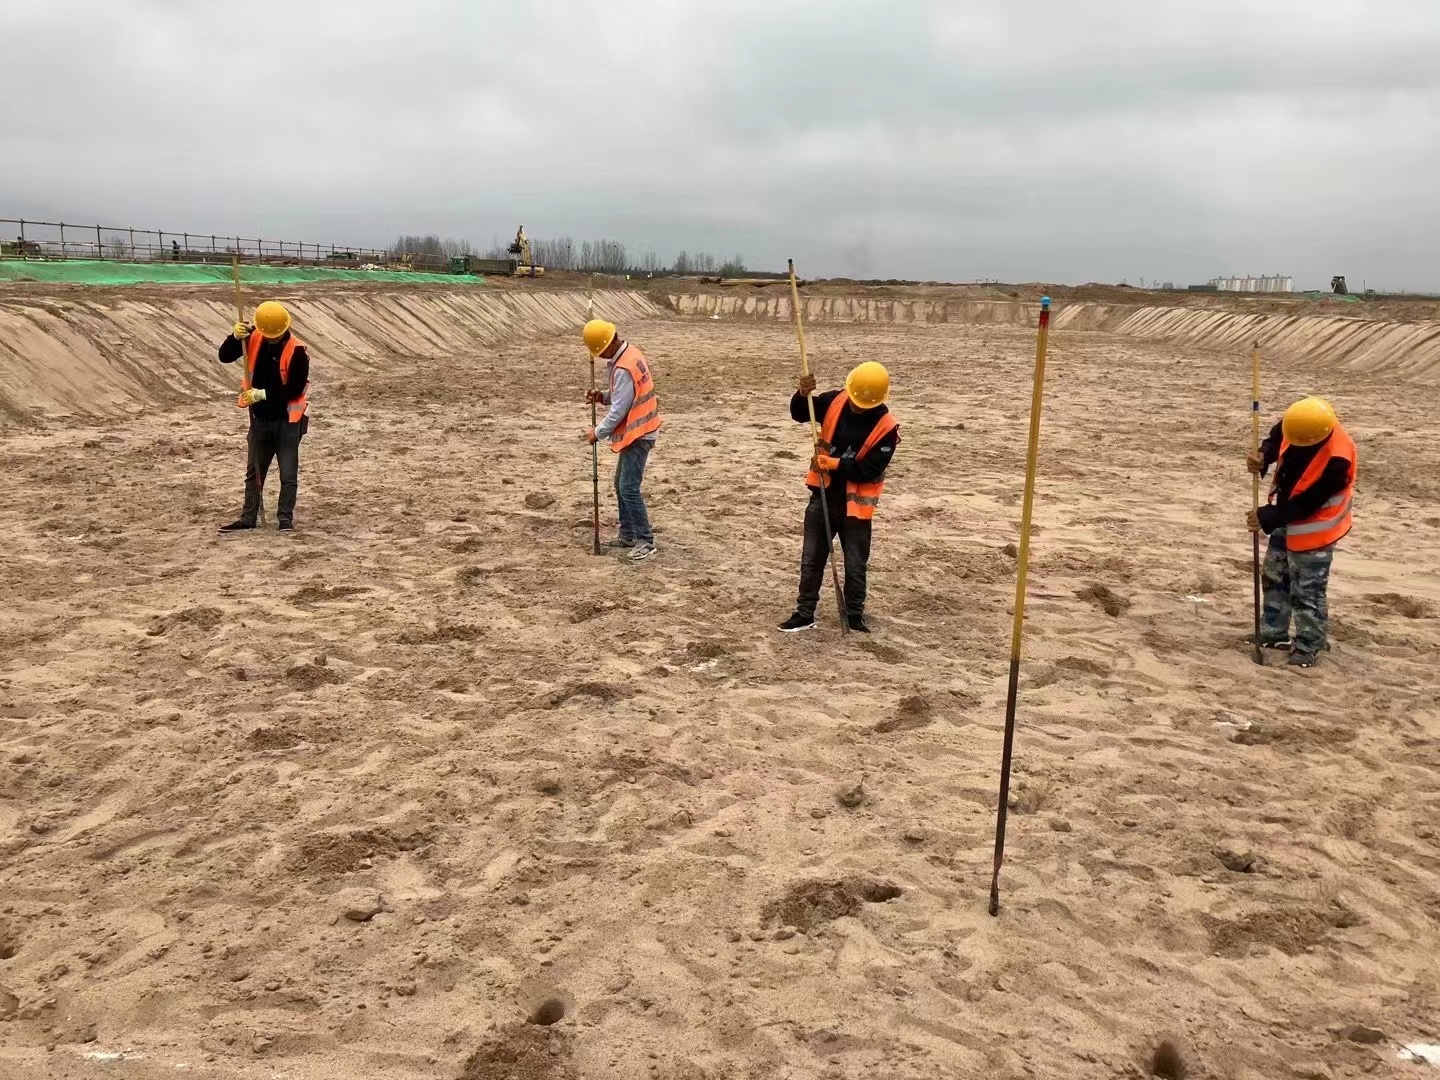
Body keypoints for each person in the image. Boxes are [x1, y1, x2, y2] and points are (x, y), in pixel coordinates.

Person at [779, 362, 900, 634]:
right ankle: (805, 612)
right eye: (855, 401)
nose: (856, 407)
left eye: (862, 405)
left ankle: (854, 614)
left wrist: (832, 464)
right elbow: (800, 414)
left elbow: (870, 469)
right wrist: (802, 393)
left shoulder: (887, 428)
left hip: (855, 507)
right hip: (822, 494)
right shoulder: (835, 400)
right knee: (812, 559)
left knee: (856, 563)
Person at [1246, 395, 1357, 668]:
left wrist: (1268, 516)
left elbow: (1308, 503)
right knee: (1274, 575)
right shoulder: (1299, 422)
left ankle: (1309, 644)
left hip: (1316, 528)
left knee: (1307, 590)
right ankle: (1273, 634)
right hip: (1287, 516)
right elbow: (1276, 439)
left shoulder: (1338, 459)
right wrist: (1263, 455)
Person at [217, 300, 311, 533]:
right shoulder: (253, 337)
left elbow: (295, 389)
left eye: (275, 336)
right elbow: (225, 356)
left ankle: (285, 519)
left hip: (288, 421)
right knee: (255, 471)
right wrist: (234, 337)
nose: (271, 339)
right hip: (260, 420)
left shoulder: (297, 351)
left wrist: (262, 394)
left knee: (288, 473)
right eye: (268, 335)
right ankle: (248, 517)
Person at [582, 319, 662, 561]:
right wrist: (603, 397)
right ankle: (627, 534)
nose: (601, 357)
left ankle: (645, 540)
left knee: (628, 487)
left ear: (607, 344)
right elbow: (622, 396)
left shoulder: (623, 367)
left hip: (640, 433)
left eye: (600, 352)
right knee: (621, 485)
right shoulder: (629, 353)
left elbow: (620, 410)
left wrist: (598, 432)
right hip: (638, 431)